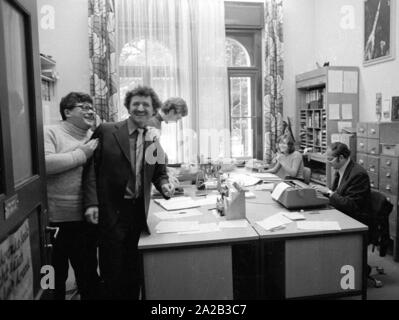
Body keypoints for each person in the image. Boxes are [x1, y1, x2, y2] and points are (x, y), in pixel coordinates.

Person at [83, 86, 175, 300]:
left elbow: (158, 172)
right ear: (128, 107)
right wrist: (91, 203)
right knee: (112, 271)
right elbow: (90, 170)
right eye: (136, 104)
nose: (141, 108)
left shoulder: (152, 138)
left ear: (153, 110)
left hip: (137, 213)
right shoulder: (106, 130)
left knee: (134, 271)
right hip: (111, 212)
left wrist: (165, 185)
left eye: (146, 105)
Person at [44, 92, 100, 300]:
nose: (90, 111)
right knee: (50, 279)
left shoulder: (94, 137)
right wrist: (81, 155)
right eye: (83, 107)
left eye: (91, 107)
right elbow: (45, 164)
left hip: (85, 222)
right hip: (52, 225)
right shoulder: (50, 132)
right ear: (67, 112)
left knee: (88, 275)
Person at [312, 142, 371, 217]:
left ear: (341, 158)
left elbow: (351, 205)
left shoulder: (358, 175)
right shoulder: (340, 169)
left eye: (330, 159)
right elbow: (337, 193)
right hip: (341, 211)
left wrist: (328, 192)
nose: (328, 162)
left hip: (354, 218)